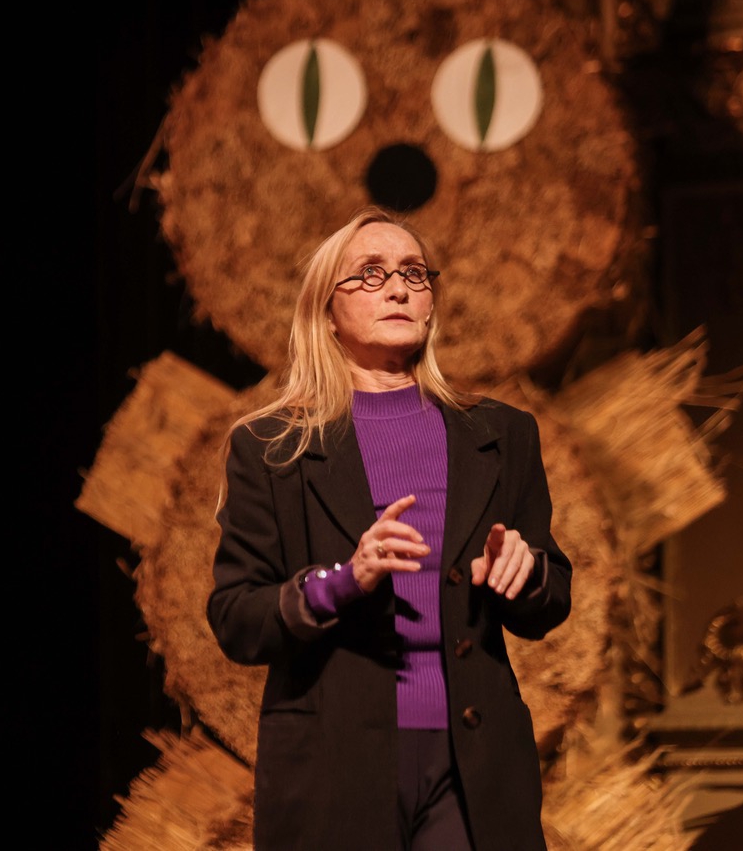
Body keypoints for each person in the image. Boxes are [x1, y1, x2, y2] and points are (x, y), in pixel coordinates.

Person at [206, 205, 572, 851]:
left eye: (413, 274)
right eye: (370, 275)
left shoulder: (502, 435)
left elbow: (551, 598)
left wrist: (526, 570)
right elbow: (237, 617)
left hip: (472, 768)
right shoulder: (271, 448)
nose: (399, 288)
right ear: (327, 310)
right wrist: (344, 581)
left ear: (431, 304)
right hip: (333, 769)